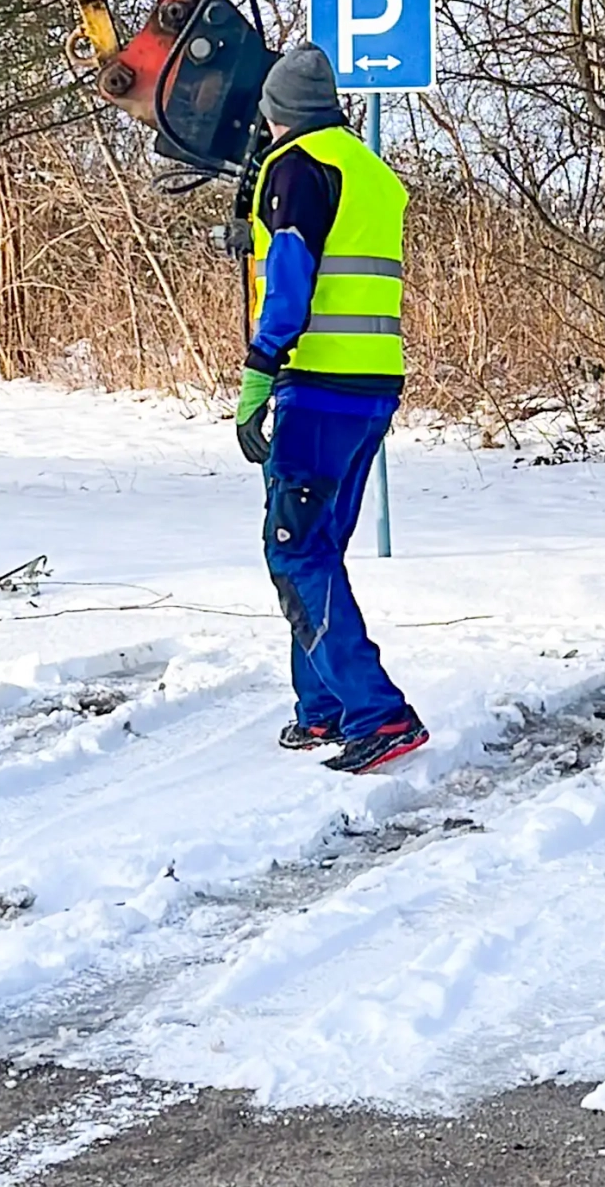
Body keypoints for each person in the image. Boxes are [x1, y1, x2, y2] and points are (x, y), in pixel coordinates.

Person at [234, 40, 427, 773]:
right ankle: (321, 710)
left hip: (316, 385)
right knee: (317, 546)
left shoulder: (296, 167)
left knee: (294, 547)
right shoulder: (369, 171)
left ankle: (378, 714)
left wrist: (259, 369)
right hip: (373, 381)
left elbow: (289, 278)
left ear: (277, 113)